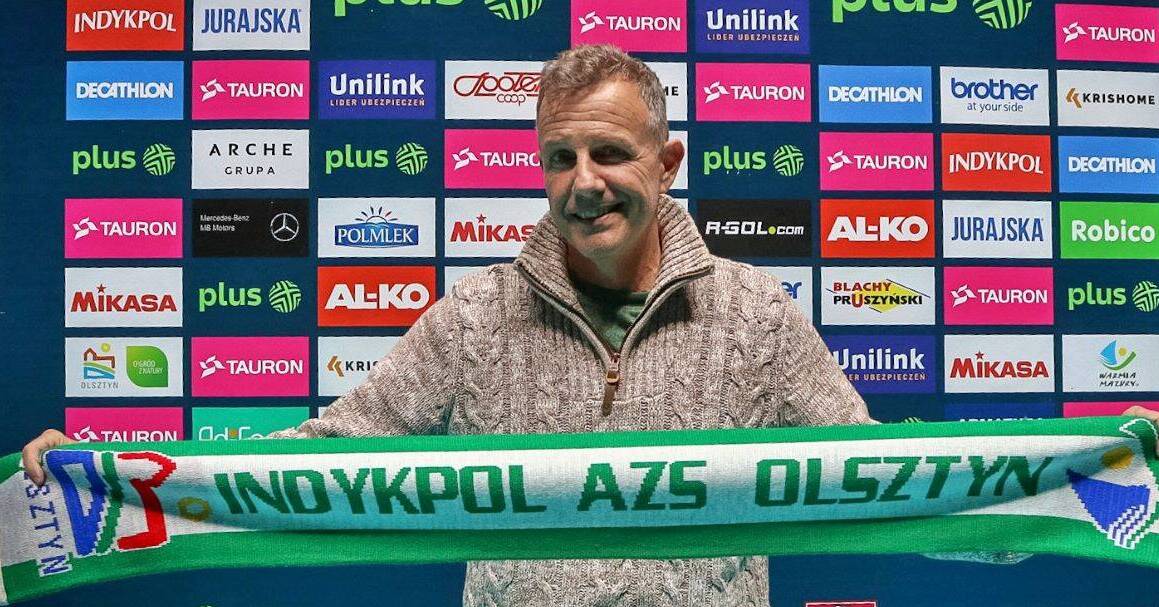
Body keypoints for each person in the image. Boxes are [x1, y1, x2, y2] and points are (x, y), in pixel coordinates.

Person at [22, 45, 1159, 606]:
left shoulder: (755, 317)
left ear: (666, 162)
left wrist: (1079, 479)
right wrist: (110, 477)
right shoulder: (471, 318)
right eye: (558, 155)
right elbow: (320, 463)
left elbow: (885, 483)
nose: (582, 181)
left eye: (609, 152)